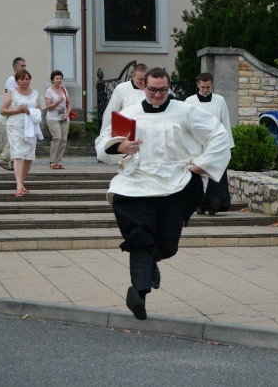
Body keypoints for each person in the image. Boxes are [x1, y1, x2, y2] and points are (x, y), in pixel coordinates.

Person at [95, 68, 231, 320]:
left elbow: (220, 135)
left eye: (163, 90)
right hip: (137, 183)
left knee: (168, 245)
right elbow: (102, 146)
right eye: (152, 90)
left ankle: (150, 265)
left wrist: (201, 164)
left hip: (175, 183)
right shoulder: (128, 114)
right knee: (140, 236)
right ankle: (138, 293)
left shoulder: (185, 110)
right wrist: (118, 145)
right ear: (143, 88)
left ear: (169, 88)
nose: (157, 95)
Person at [185, 72, 235, 215]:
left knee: (214, 172)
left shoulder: (219, 101)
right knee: (197, 174)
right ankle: (200, 204)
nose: (205, 90)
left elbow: (225, 122)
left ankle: (214, 202)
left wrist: (228, 145)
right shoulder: (189, 102)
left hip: (215, 144)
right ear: (198, 85)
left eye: (208, 87)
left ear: (212, 85)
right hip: (196, 144)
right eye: (203, 87)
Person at [0, 70, 42, 197]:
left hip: (30, 126)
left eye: (27, 79)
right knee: (17, 153)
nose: (25, 81)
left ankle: (22, 183)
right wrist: (18, 110)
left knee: (29, 156)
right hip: (15, 126)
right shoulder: (12, 92)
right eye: (22, 79)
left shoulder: (35, 93)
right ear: (17, 80)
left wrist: (32, 112)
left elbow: (40, 110)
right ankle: (18, 185)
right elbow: (2, 110)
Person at [95, 64, 148, 163]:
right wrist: (103, 138)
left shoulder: (151, 89)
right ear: (133, 76)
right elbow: (111, 112)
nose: (143, 82)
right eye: (140, 79)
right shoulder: (122, 89)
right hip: (127, 128)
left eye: (145, 79)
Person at [0, 57, 26, 170]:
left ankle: (15, 161)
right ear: (15, 67)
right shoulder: (11, 80)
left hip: (19, 112)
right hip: (13, 112)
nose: (24, 68)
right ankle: (3, 159)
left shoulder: (20, 79)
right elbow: (9, 97)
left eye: (25, 66)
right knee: (15, 138)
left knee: (17, 138)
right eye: (22, 66)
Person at [45, 70, 72, 170]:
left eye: (60, 78)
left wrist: (67, 114)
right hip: (53, 117)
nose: (59, 80)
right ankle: (52, 161)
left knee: (64, 140)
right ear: (52, 80)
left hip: (64, 117)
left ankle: (58, 161)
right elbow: (48, 107)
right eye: (57, 78)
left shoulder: (64, 89)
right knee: (57, 137)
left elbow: (69, 103)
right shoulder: (49, 91)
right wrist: (58, 101)